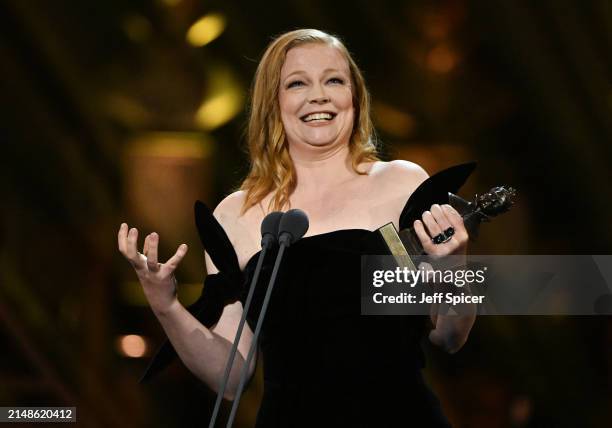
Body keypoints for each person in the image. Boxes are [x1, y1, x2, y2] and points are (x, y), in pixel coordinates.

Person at [118, 29, 475, 427]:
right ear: (273, 102)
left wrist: (453, 265)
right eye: (298, 83)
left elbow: (449, 336)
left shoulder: (401, 185)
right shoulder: (238, 214)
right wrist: (166, 305)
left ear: (354, 96)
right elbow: (232, 378)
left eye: (334, 80)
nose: (319, 95)